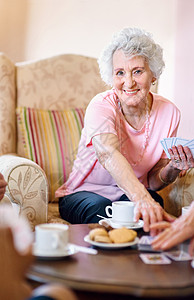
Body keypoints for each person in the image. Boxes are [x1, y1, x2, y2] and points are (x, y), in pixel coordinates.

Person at [56, 27, 194, 233]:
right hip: (82, 193)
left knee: (153, 202)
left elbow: (153, 182)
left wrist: (173, 167)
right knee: (104, 210)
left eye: (137, 71)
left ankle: (146, 264)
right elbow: (107, 152)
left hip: (128, 194)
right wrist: (142, 198)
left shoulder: (169, 112)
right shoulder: (101, 105)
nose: (128, 82)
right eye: (120, 73)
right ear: (112, 77)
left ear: (153, 75)